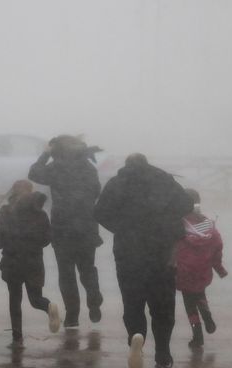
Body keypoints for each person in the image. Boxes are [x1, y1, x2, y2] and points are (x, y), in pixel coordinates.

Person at [94, 153, 193, 368]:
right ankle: (163, 352)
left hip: (128, 252)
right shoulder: (164, 180)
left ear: (127, 165)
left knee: (133, 302)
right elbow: (187, 204)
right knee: (163, 306)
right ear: (147, 163)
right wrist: (165, 225)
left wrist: (122, 228)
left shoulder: (117, 183)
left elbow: (99, 212)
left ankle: (136, 338)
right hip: (161, 252)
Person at [28, 135, 103, 327]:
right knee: (88, 268)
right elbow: (96, 191)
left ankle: (72, 315)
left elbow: (34, 173)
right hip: (86, 226)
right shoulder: (88, 168)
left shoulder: (56, 168)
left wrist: (45, 154)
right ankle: (94, 299)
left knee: (66, 273)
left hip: (63, 227)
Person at [0, 180, 60, 348]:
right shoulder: (40, 213)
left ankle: (17, 338)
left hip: (12, 261)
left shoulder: (5, 211)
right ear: (31, 192)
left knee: (15, 300)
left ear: (13, 192)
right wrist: (33, 244)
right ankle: (48, 306)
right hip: (33, 262)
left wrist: (10, 241)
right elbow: (47, 238)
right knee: (35, 299)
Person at [176, 188, 227, 349]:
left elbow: (170, 246)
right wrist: (219, 269)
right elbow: (217, 246)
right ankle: (207, 316)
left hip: (184, 271)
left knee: (189, 304)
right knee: (199, 294)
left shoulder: (179, 223)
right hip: (202, 270)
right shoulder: (208, 224)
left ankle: (197, 336)